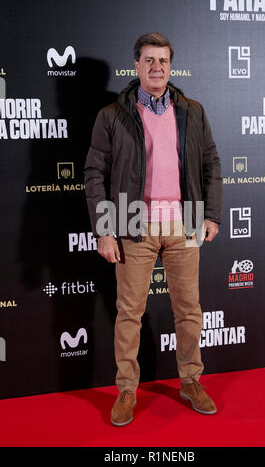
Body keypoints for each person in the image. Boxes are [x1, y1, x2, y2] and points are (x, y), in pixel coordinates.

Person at [84, 32, 222, 426]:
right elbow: (94, 173)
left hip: (185, 223)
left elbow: (211, 163)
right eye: (148, 60)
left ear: (170, 66)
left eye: (162, 60)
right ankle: (127, 389)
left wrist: (210, 215)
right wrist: (104, 229)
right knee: (129, 312)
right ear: (137, 66)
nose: (156, 67)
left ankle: (191, 381)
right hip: (132, 224)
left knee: (189, 311)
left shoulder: (192, 111)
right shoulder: (112, 114)